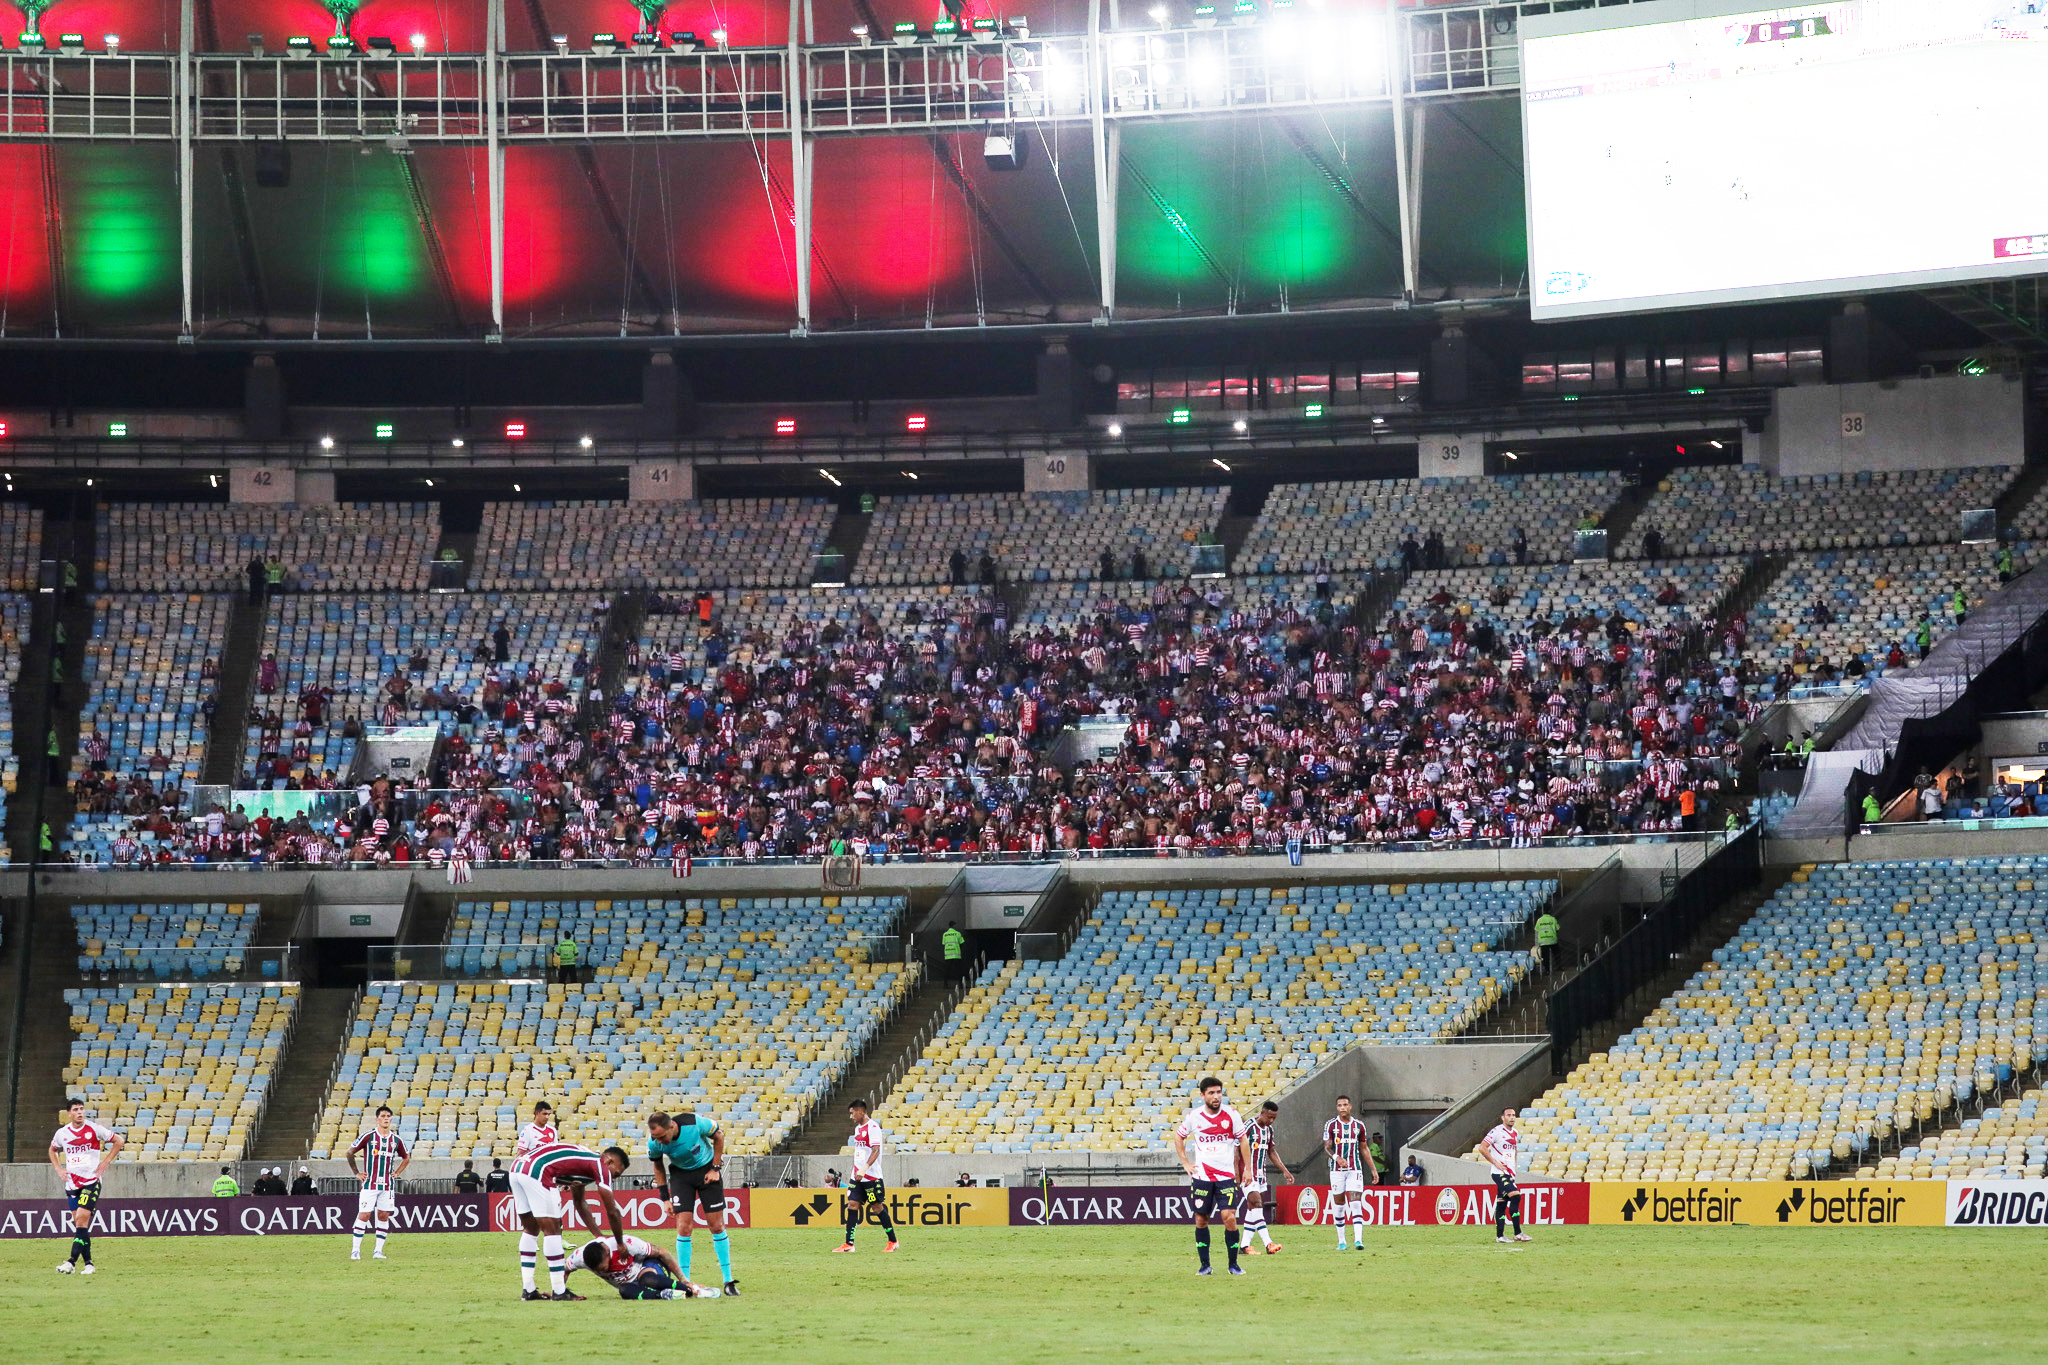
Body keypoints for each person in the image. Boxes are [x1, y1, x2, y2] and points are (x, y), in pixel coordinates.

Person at [509, 1142, 633, 1301]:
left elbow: (579, 1203)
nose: (613, 1179)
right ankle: (559, 1291)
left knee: (531, 1228)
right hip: (537, 1170)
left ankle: (528, 1290)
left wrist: (599, 1236)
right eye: (615, 1174)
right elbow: (612, 1211)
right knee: (553, 1229)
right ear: (609, 1161)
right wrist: (620, 1242)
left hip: (517, 1167)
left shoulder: (584, 1163)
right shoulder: (600, 1165)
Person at [647, 1109, 740, 1294]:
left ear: (671, 1126)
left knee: (716, 1226)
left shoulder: (695, 1123)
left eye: (662, 1137)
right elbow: (658, 1166)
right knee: (683, 1228)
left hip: (707, 1171)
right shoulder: (654, 1143)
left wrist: (715, 1168)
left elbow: (719, 1136)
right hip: (681, 1177)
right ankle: (686, 1284)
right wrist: (665, 1198)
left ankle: (728, 1281)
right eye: (656, 1138)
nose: (659, 1142)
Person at [1171, 1076, 1249, 1276]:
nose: (1216, 1096)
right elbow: (1179, 1137)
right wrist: (1185, 1162)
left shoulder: (1231, 1115)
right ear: (1202, 1095)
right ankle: (1205, 1265)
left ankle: (1233, 1265)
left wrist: (1247, 1168)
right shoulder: (1194, 1117)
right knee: (1201, 1219)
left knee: (1229, 1217)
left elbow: (1243, 1140)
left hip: (1225, 1176)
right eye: (1211, 1093)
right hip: (1202, 1177)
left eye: (1219, 1092)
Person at [51, 1098, 121, 1275]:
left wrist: (106, 1162)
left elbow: (119, 1141)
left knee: (81, 1220)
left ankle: (71, 1262)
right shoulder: (62, 1133)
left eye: (81, 1109)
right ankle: (89, 1264)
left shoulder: (94, 1129)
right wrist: (58, 1168)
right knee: (80, 1225)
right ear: (69, 1113)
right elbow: (52, 1149)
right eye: (75, 1109)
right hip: (72, 1184)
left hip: (91, 1181)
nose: (80, 1112)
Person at [347, 1104, 411, 1261]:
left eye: (388, 1116)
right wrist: (356, 1173)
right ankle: (355, 1251)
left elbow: (406, 1157)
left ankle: (378, 1251)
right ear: (377, 1120)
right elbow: (350, 1152)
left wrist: (397, 1172)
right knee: (364, 1215)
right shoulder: (369, 1136)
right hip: (370, 1184)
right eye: (383, 1116)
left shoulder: (396, 1140)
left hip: (387, 1185)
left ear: (391, 1120)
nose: (386, 1119)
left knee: (383, 1215)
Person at [834, 1098, 899, 1254]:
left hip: (871, 1177)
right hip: (857, 1177)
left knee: (877, 1208)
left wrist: (864, 1168)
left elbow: (876, 1150)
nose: (851, 1117)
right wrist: (857, 1170)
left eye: (852, 1113)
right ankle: (849, 1244)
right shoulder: (858, 1129)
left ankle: (893, 1241)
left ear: (860, 1111)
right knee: (852, 1205)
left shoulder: (873, 1127)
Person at [569, 1233, 720, 1299]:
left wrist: (684, 1279)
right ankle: (664, 1295)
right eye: (599, 1271)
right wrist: (561, 1293)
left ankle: (692, 1290)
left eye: (603, 1267)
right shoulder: (579, 1257)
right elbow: (562, 1269)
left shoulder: (626, 1244)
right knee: (623, 1290)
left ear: (608, 1253)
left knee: (647, 1279)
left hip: (649, 1268)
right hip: (632, 1285)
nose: (605, 1271)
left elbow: (662, 1252)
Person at [1322, 1095, 1374, 1249]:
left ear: (1350, 1106)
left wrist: (1373, 1169)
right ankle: (1342, 1241)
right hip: (1337, 1171)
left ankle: (1358, 1241)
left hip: (1354, 1168)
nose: (1342, 1108)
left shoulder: (1359, 1126)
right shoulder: (1331, 1125)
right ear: (1337, 1108)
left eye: (1345, 1105)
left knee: (1356, 1203)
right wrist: (1337, 1158)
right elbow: (1327, 1147)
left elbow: (1364, 1148)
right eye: (1339, 1105)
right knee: (1339, 1205)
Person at [1241, 1099, 1290, 1254]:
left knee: (1252, 1209)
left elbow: (1271, 1151)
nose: (1271, 1120)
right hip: (1246, 1173)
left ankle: (1244, 1246)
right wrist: (1237, 1174)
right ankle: (1268, 1243)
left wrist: (1284, 1170)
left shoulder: (1269, 1130)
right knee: (1257, 1204)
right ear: (1262, 1113)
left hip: (1261, 1174)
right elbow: (1236, 1150)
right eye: (1269, 1117)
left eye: (1274, 1118)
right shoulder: (1249, 1127)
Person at [1481, 1107, 1529, 1244]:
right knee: (1516, 1196)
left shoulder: (1515, 1132)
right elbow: (1482, 1148)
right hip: (1499, 1173)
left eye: (1513, 1115)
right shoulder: (1496, 1131)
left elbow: (1514, 1151)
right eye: (1508, 1115)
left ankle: (1500, 1236)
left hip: (1509, 1173)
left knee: (1502, 1203)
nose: (1512, 1117)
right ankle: (1518, 1233)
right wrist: (1495, 1163)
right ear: (1503, 1117)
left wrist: (1514, 1167)